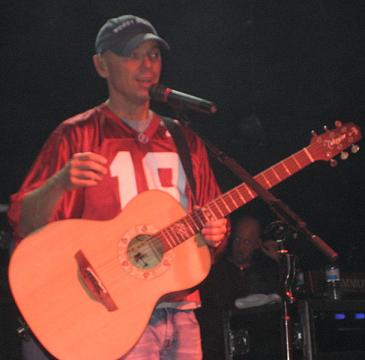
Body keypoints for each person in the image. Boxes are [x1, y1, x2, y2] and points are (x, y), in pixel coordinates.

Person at [7, 14, 228, 360]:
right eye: (132, 55)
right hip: (109, 315)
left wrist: (216, 232)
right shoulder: (76, 134)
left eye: (154, 55)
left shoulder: (184, 139)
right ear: (101, 65)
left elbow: (210, 218)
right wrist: (59, 183)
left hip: (182, 309)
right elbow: (23, 222)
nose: (147, 66)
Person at [197, 214, 281, 359]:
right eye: (237, 239)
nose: (240, 246)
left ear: (257, 244)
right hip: (221, 350)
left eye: (246, 242)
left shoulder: (265, 270)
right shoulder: (215, 270)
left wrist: (279, 262)